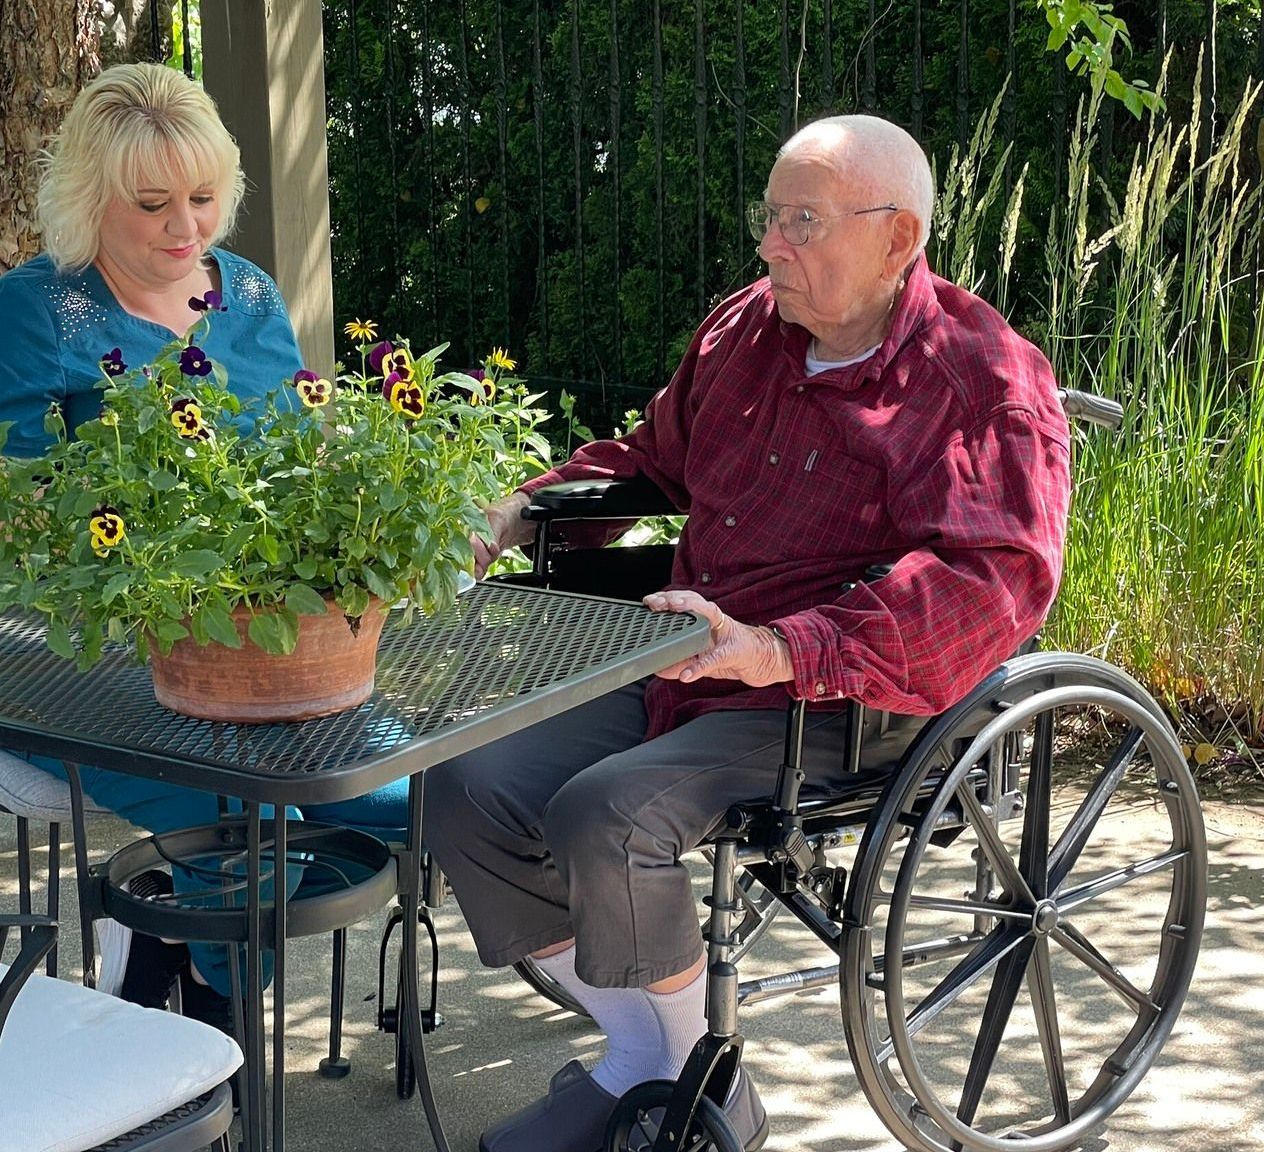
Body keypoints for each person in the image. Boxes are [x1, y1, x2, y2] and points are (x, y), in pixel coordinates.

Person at [428, 114, 1072, 1152]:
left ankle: (666, 1083)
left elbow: (984, 585)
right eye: (771, 218)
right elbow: (653, 460)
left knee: (606, 813)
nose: (772, 245)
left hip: (845, 695)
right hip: (691, 658)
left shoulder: (981, 383)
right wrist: (515, 509)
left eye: (803, 223)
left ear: (898, 238)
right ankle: (666, 1067)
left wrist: (781, 649)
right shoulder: (748, 331)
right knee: (466, 780)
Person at [0, 62, 408, 1027]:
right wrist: (121, 550)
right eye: (152, 204)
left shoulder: (251, 297)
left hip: (254, 648)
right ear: (91, 200)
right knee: (250, 827)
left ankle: (163, 961)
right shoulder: (34, 312)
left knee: (402, 798)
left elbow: (306, 464)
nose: (187, 227)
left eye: (203, 196)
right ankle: (212, 1059)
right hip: (77, 650)